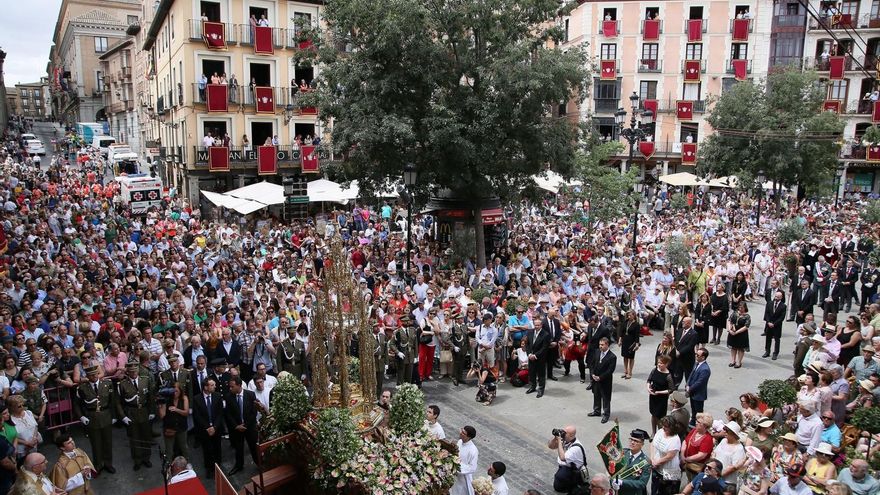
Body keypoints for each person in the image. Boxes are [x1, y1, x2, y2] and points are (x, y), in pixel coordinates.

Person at [73, 365, 115, 474]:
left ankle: (108, 463)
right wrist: (81, 416)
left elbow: (113, 401)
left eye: (95, 374)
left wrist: (114, 416)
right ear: (87, 376)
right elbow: (77, 404)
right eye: (91, 375)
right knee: (96, 443)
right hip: (92, 417)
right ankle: (98, 465)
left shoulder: (107, 384)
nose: (94, 376)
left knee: (108, 442)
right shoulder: (82, 388)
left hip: (105, 415)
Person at [115, 361, 155, 471]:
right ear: (128, 372)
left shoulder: (145, 380)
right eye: (131, 371)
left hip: (144, 411)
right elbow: (118, 402)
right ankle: (137, 460)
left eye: (135, 370)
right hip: (131, 412)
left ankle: (146, 458)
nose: (133, 373)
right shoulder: (122, 384)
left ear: (138, 370)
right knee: (134, 437)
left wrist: (152, 411)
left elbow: (151, 397)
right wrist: (123, 416)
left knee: (146, 436)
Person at [224, 375, 263, 475]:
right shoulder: (228, 397)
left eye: (232, 386)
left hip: (250, 427)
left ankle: (260, 464)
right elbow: (228, 414)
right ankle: (239, 465)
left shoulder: (250, 395)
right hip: (237, 428)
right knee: (238, 448)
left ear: (239, 385)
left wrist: (246, 425)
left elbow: (253, 412)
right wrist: (236, 426)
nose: (230, 388)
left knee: (254, 447)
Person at [192, 377, 224, 479]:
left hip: (216, 428)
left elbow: (220, 414)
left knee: (217, 448)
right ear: (206, 387)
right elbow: (197, 416)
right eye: (212, 385)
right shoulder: (196, 399)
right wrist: (207, 428)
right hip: (204, 430)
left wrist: (214, 427)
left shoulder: (218, 396)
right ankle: (209, 469)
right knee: (207, 450)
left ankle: (218, 467)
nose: (215, 387)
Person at [613, 429, 651, 495]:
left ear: (642, 444)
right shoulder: (623, 453)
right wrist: (612, 482)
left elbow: (642, 483)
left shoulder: (646, 462)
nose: (632, 442)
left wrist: (622, 482)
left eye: (636, 441)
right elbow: (613, 470)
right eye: (631, 439)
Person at [651, 416, 682, 495]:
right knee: (654, 489)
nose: (664, 428)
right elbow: (653, 444)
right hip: (656, 466)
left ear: (672, 427)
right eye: (663, 425)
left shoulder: (675, 439)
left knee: (667, 491)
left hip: (670, 470)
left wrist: (656, 463)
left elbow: (669, 456)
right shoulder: (660, 431)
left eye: (666, 426)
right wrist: (652, 459)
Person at [550, 425, 586, 493]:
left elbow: (562, 458)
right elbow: (550, 446)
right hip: (566, 466)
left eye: (565, 433)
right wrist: (555, 438)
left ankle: (572, 486)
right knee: (559, 478)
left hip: (574, 471)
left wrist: (559, 443)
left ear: (571, 435)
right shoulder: (566, 440)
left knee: (558, 487)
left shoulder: (576, 448)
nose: (563, 433)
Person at [158, 382, 189, 459]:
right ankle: (168, 467)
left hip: (181, 427)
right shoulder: (167, 399)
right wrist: (161, 404)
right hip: (169, 428)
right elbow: (162, 416)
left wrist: (176, 409)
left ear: (180, 391)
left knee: (184, 447)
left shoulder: (184, 398)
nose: (175, 393)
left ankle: (186, 464)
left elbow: (186, 413)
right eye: (173, 391)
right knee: (169, 450)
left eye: (177, 391)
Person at [589, 338, 617, 423]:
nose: (600, 346)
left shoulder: (612, 357)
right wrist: (592, 374)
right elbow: (593, 364)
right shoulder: (597, 352)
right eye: (599, 344)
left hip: (605, 381)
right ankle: (597, 411)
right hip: (595, 379)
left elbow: (610, 370)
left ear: (607, 345)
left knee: (606, 398)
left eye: (602, 345)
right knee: (596, 395)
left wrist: (600, 377)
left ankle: (606, 414)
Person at [682, 413, 715, 481]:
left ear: (705, 425)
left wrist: (687, 459)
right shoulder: (694, 430)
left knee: (694, 482)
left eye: (698, 422)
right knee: (689, 479)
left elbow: (701, 455)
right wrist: (682, 455)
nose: (696, 423)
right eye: (697, 421)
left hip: (696, 467)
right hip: (687, 463)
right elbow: (685, 441)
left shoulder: (708, 439)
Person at [647, 355, 674, 433]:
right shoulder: (655, 370)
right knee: (653, 414)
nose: (659, 364)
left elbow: (671, 389)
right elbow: (649, 380)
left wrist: (659, 392)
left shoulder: (668, 376)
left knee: (660, 417)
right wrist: (648, 388)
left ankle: (660, 433)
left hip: (661, 398)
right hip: (653, 396)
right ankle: (653, 432)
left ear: (666, 364)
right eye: (658, 362)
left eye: (661, 363)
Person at [526, 316, 550, 398]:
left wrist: (535, 355)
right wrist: (529, 354)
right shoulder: (530, 332)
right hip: (531, 357)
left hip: (540, 358)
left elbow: (544, 348)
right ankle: (532, 386)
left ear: (541, 325)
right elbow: (527, 344)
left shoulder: (545, 334)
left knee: (541, 374)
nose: (536, 327)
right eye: (535, 325)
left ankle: (541, 389)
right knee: (531, 373)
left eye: (538, 325)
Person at [451, 425, 479, 495]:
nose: (460, 433)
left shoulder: (473, 451)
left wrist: (457, 467)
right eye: (461, 431)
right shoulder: (460, 441)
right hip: (454, 474)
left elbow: (472, 468)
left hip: (462, 479)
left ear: (469, 437)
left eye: (463, 433)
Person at [686, 348, 711, 422]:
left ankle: (698, 423)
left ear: (703, 357)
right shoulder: (696, 363)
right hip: (692, 392)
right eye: (696, 354)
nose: (696, 356)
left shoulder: (705, 369)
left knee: (698, 412)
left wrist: (690, 388)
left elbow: (700, 382)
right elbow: (691, 375)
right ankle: (693, 421)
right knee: (693, 409)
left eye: (697, 355)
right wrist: (687, 384)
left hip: (698, 394)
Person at [764, 291, 787, 360]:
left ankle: (775, 353)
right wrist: (768, 322)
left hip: (777, 326)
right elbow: (766, 313)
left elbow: (781, 317)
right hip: (769, 324)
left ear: (781, 297)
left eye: (778, 297)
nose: (776, 298)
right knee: (768, 338)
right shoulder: (769, 303)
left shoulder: (783, 306)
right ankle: (767, 351)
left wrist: (774, 324)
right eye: (775, 296)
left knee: (777, 339)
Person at [621, 310, 641, 380]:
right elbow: (622, 331)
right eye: (628, 315)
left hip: (631, 342)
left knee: (631, 357)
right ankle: (625, 371)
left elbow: (637, 335)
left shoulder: (636, 324)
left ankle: (630, 372)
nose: (629, 317)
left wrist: (637, 344)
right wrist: (620, 340)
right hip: (625, 341)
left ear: (634, 315)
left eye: (630, 315)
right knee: (625, 356)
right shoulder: (625, 322)